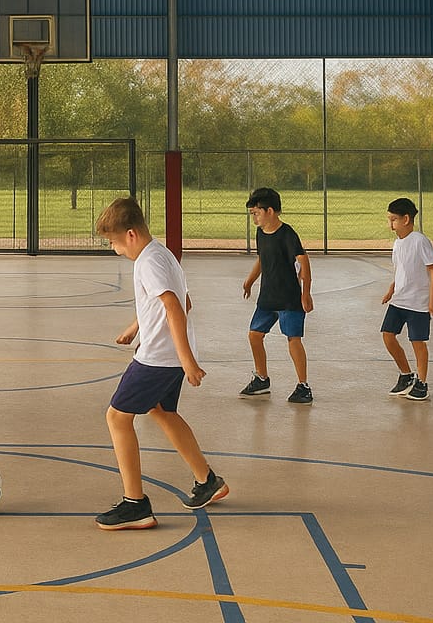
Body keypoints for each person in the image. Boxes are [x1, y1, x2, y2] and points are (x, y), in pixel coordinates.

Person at [94, 197, 227, 531]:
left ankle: (135, 504)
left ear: (131, 235)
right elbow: (182, 300)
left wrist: (187, 361)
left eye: (114, 242)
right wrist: (135, 326)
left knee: (117, 418)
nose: (115, 250)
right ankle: (207, 480)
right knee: (162, 411)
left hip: (157, 358)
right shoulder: (162, 253)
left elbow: (173, 307)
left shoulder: (147, 262)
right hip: (166, 356)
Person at [239, 187, 314, 403]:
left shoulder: (287, 234)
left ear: (270, 211)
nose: (254, 217)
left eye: (256, 213)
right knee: (254, 335)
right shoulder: (261, 233)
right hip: (268, 297)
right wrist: (250, 280)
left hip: (289, 297)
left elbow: (303, 262)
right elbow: (262, 259)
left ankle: (303, 386)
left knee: (293, 339)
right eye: (252, 213)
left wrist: (306, 293)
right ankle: (262, 379)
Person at [381, 196, 433, 401]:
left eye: (394, 220)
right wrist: (391, 289)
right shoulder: (398, 243)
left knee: (418, 342)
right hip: (399, 300)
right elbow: (401, 271)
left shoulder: (419, 241)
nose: (390, 225)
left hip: (417, 303)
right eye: (389, 220)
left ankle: (422, 383)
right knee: (387, 335)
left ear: (406, 219)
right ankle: (406, 375)